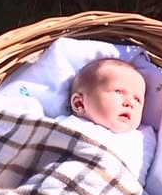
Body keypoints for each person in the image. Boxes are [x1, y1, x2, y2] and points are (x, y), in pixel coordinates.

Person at [59, 58, 156, 186]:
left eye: (137, 99)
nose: (130, 103)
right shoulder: (66, 124)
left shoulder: (141, 139)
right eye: (118, 92)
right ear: (79, 103)